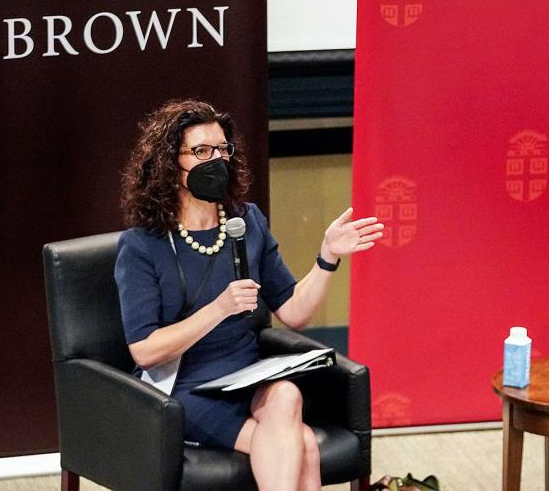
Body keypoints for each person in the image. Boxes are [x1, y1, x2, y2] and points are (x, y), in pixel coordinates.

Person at [115, 99, 383, 491]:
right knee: (304, 445)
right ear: (170, 164)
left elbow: (294, 311)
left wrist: (327, 257)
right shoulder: (143, 245)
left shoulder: (247, 221)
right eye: (201, 151)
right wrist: (219, 308)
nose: (216, 160)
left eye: (223, 150)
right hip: (183, 389)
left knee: (287, 393)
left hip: (246, 377)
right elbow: (144, 351)